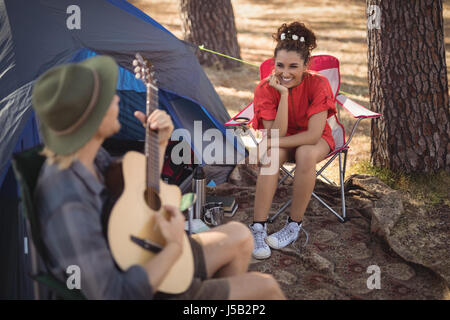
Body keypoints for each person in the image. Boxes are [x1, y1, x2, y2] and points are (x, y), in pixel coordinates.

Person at [33, 56, 285, 300]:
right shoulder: (66, 198)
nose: (117, 100)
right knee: (266, 287)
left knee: (240, 237)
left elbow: (135, 187)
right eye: (108, 99)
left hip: (143, 253)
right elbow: (115, 294)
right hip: (143, 283)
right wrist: (175, 245)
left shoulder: (92, 156)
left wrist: (160, 142)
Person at [249, 22, 337, 259]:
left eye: (293, 66)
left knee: (305, 153)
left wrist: (267, 142)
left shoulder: (318, 84)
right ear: (273, 63)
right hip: (282, 139)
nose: (285, 73)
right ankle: (258, 227)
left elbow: (312, 136)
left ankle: (293, 225)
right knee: (272, 156)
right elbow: (276, 135)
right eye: (280, 65)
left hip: (315, 140)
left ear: (306, 65)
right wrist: (285, 95)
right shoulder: (265, 89)